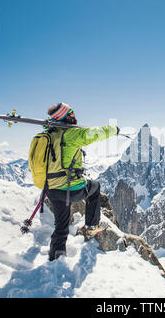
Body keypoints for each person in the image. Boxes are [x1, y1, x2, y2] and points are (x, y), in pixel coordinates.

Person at [45, 103, 119, 261]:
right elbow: (96, 133)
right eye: (71, 112)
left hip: (51, 188)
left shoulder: (50, 135)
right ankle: (92, 226)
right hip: (69, 188)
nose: (74, 115)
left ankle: (56, 259)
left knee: (61, 226)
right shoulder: (72, 134)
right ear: (67, 116)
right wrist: (114, 129)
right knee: (95, 187)